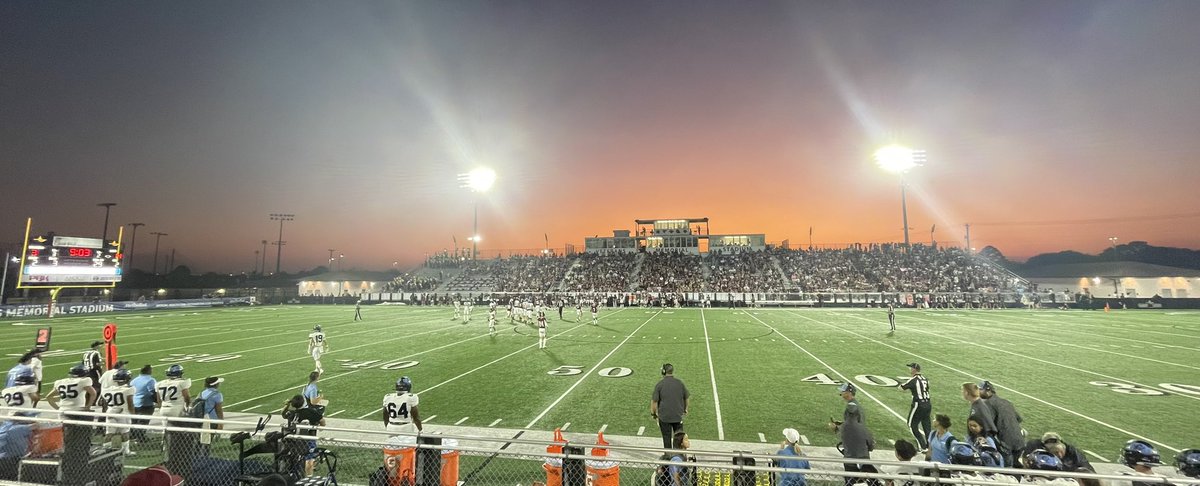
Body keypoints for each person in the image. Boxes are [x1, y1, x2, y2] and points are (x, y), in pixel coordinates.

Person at [829, 383, 872, 486]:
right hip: (862, 450)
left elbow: (851, 429)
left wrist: (837, 428)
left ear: (849, 393)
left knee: (852, 480)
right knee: (861, 481)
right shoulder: (857, 405)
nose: (841, 393)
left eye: (843, 391)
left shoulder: (851, 406)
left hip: (853, 452)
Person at [979, 381, 1023, 467]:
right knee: (1016, 465)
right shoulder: (1006, 402)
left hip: (1006, 443)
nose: (978, 392)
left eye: (980, 389)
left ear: (988, 391)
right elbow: (1018, 419)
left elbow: (988, 425)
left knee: (1007, 470)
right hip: (1019, 441)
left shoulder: (988, 404)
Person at [282, 394, 326, 476]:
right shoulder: (310, 412)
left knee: (296, 458)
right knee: (309, 459)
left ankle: (296, 475)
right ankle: (309, 478)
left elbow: (283, 413)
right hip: (308, 439)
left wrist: (286, 405)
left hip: (294, 440)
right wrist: (320, 426)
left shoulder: (291, 413)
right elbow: (323, 421)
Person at [651, 364, 689, 449]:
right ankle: (679, 458)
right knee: (679, 440)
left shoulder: (660, 385)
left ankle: (668, 458)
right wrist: (685, 409)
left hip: (664, 418)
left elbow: (654, 402)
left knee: (666, 439)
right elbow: (686, 398)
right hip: (678, 416)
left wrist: (654, 414)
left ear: (663, 372)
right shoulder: (680, 383)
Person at [100, 369, 135, 455]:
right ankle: (126, 451)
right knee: (125, 432)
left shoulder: (107, 389)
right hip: (123, 412)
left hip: (110, 411)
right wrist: (133, 413)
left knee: (109, 433)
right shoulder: (129, 389)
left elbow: (103, 402)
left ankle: (105, 450)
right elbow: (130, 403)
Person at [899, 363, 930, 450]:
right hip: (928, 404)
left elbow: (901, 388)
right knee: (926, 425)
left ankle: (922, 446)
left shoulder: (913, 380)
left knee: (911, 424)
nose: (910, 370)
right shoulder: (925, 379)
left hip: (918, 404)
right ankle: (930, 446)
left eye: (911, 368)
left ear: (914, 369)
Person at [1025, 432, 1093, 473]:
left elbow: (1088, 469)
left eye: (1061, 452)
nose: (1060, 455)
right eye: (1056, 453)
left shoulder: (1073, 452)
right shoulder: (1036, 450)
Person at [129, 365, 157, 442]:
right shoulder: (150, 380)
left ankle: (133, 435)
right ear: (148, 371)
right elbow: (153, 392)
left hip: (134, 403)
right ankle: (141, 438)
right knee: (143, 421)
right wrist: (157, 401)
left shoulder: (134, 380)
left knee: (134, 420)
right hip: (145, 403)